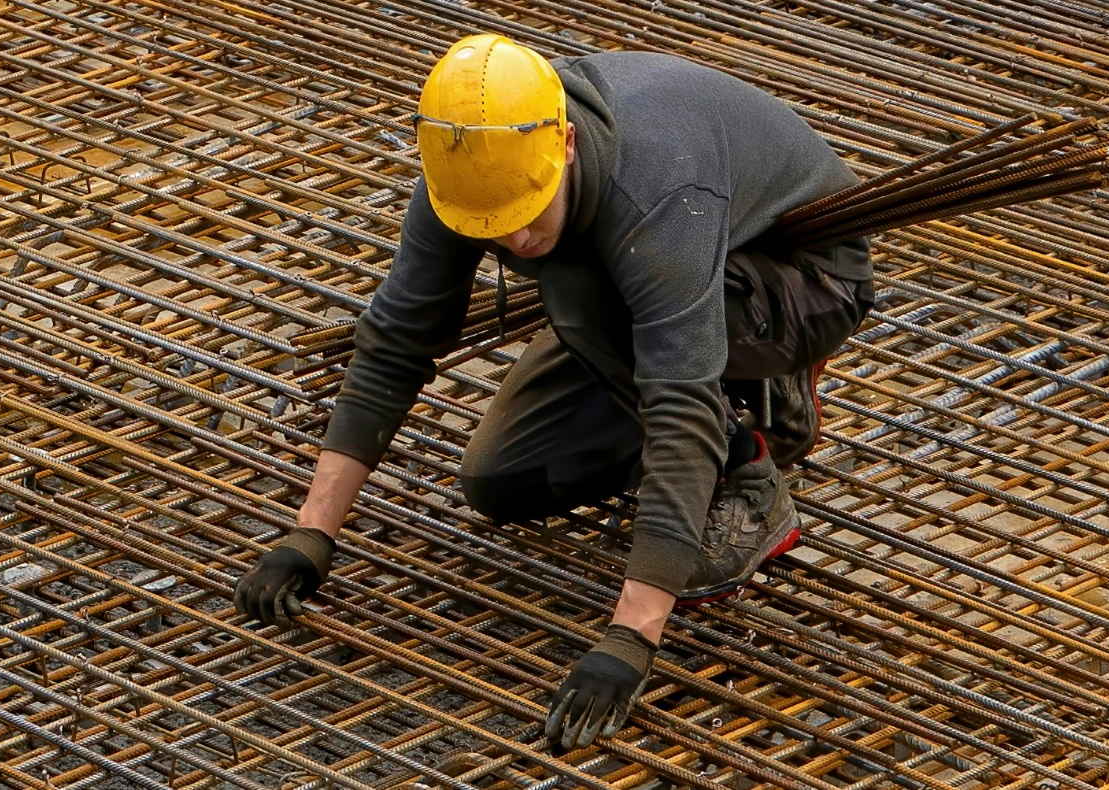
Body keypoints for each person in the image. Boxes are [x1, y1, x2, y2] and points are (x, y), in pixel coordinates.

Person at [230, 35, 877, 750]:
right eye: (492, 228)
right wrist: (310, 533)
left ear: (565, 144)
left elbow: (678, 404)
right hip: (646, 283)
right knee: (501, 482)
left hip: (802, 280)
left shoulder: (656, 187)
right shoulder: (466, 167)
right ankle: (711, 373)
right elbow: (395, 341)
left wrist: (630, 637)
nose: (513, 237)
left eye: (526, 211)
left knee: (576, 284)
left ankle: (749, 460)